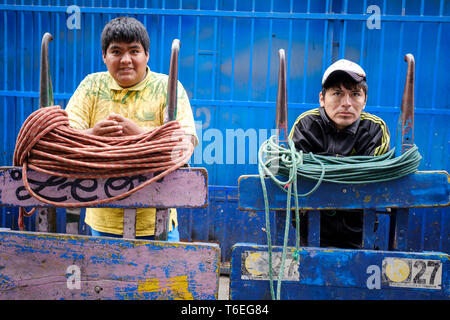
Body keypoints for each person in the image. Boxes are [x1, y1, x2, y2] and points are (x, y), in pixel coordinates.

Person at [65, 17, 198, 241]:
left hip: (158, 220)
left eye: (134, 51)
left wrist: (139, 135)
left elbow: (184, 145)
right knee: (105, 276)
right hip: (102, 220)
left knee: (160, 276)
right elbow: (63, 138)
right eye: (116, 52)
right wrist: (93, 135)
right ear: (104, 57)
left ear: (147, 55)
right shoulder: (91, 85)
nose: (125, 60)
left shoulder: (167, 87)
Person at [289, 59, 390, 248]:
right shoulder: (306, 124)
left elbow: (372, 177)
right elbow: (296, 174)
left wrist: (322, 167)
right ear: (322, 98)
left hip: (359, 228)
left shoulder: (375, 128)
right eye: (337, 93)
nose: (346, 103)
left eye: (355, 94)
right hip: (310, 227)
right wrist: (348, 168)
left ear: (365, 100)